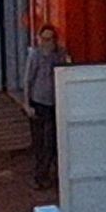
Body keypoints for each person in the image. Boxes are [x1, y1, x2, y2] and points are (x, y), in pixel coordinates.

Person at [19, 24, 67, 189]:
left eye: (50, 39)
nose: (47, 43)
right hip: (38, 103)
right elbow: (28, 80)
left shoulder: (60, 54)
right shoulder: (35, 56)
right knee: (40, 143)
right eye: (44, 39)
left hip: (54, 104)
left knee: (53, 142)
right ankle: (40, 177)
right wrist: (26, 104)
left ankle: (55, 176)